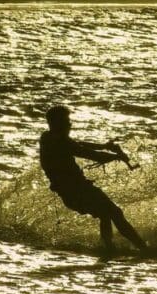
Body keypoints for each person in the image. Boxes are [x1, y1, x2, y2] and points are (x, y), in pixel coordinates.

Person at [40, 105, 148, 254]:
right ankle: (143, 249)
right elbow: (90, 154)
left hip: (75, 193)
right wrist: (116, 156)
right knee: (115, 212)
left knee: (105, 214)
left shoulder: (47, 137)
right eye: (66, 121)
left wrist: (103, 145)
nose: (70, 124)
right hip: (77, 192)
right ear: (57, 123)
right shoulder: (60, 143)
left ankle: (108, 248)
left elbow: (79, 144)